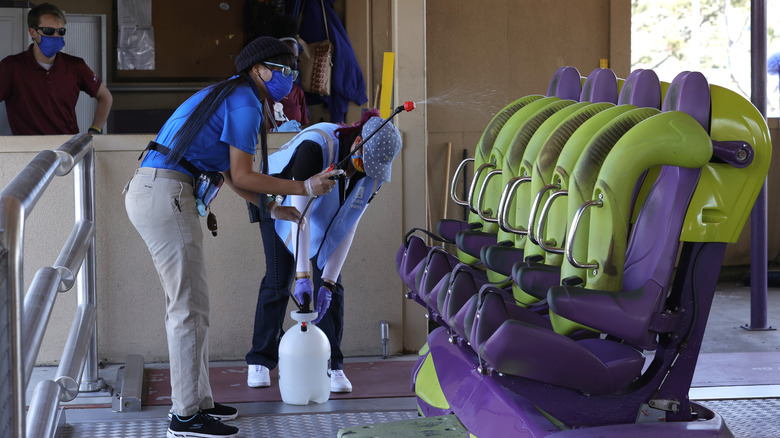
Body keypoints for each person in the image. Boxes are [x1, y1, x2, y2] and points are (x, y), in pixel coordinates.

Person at [125, 36, 339, 438]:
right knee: (187, 309)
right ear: (259, 70)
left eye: (294, 72)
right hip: (165, 194)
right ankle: (185, 417)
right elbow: (242, 174)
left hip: (162, 191)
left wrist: (270, 207)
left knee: (194, 306)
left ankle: (200, 403)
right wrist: (305, 187)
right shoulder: (243, 102)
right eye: (283, 71)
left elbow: (227, 172)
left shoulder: (229, 95)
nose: (290, 79)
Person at [245, 108, 402, 394]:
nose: (365, 172)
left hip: (323, 213)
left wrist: (327, 280)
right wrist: (303, 274)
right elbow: (298, 215)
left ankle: (334, 365)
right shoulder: (316, 148)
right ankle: (260, 359)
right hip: (280, 203)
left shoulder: (374, 172)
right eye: (364, 163)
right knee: (280, 278)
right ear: (357, 143)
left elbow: (349, 225)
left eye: (373, 170)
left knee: (332, 286)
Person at [0, 3, 113, 135]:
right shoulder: (11, 67)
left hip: (67, 148)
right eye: (49, 31)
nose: (56, 36)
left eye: (61, 31)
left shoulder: (75, 66)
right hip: (28, 150)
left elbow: (106, 97)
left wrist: (95, 130)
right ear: (33, 32)